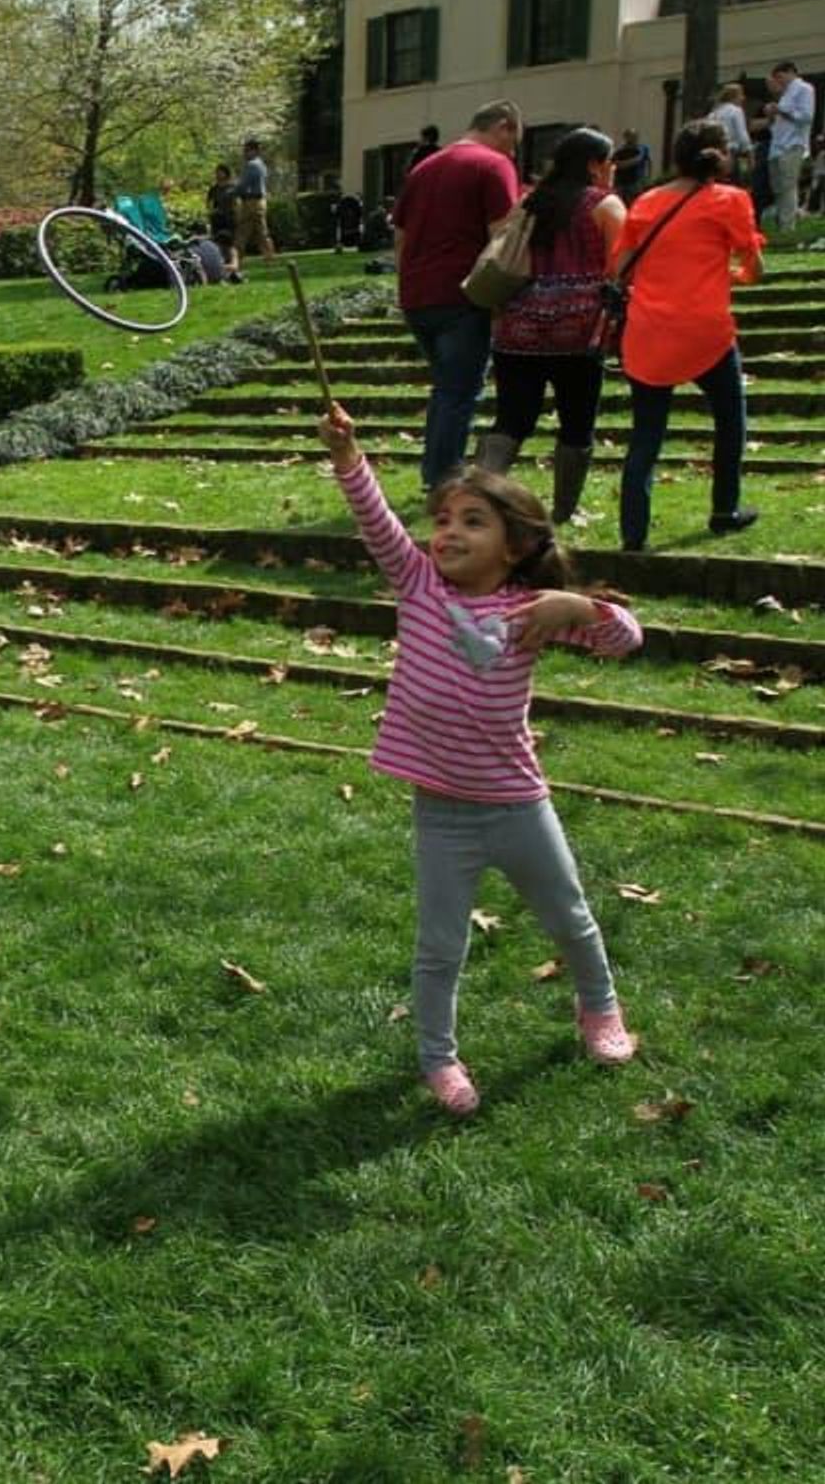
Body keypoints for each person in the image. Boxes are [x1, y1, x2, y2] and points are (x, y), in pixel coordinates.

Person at [317, 403, 642, 1117]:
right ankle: (438, 1058)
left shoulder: (533, 610)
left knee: (572, 920)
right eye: (444, 520)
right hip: (443, 814)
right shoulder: (420, 585)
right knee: (439, 946)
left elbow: (628, 640)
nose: (449, 533)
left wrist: (580, 609)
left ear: (515, 545)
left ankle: (600, 1010)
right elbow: (378, 524)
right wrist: (349, 458)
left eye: (472, 521)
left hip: (518, 805)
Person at [614, 120, 766, 550]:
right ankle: (724, 510)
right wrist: (732, 274)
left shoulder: (645, 202)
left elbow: (620, 268)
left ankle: (633, 533)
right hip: (706, 330)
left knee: (646, 434)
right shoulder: (730, 201)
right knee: (730, 422)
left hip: (649, 332)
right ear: (720, 155)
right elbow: (755, 267)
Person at [479, 127, 626, 522]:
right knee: (576, 422)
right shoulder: (604, 205)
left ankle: (481, 500)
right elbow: (622, 263)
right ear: (596, 165)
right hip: (579, 330)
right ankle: (564, 510)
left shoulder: (530, 203)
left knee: (511, 418)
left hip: (518, 326)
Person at [391, 99, 524, 489]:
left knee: (447, 387)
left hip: (418, 297)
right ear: (502, 126)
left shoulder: (423, 168)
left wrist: (408, 284)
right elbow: (503, 236)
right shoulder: (493, 165)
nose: (513, 151)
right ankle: (442, 477)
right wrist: (502, 296)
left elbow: (400, 237)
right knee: (459, 390)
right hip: (463, 296)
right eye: (513, 140)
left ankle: (438, 471)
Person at [764, 61, 817, 232]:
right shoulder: (785, 94)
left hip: (793, 143)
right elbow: (779, 125)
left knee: (787, 184)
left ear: (790, 72)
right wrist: (772, 116)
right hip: (778, 145)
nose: (779, 82)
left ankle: (788, 226)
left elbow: (806, 116)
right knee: (778, 186)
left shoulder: (804, 89)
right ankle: (783, 220)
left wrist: (780, 111)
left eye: (780, 77)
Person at [234, 139, 277, 259]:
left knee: (243, 231)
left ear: (255, 151)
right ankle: (269, 256)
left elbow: (243, 184)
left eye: (247, 151)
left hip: (251, 201)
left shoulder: (252, 165)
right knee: (261, 231)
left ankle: (237, 258)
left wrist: (232, 192)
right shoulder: (262, 165)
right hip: (260, 201)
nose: (244, 153)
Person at [710, 84, 753, 188]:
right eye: (741, 95)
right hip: (731, 152)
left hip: (716, 153)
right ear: (734, 96)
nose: (743, 98)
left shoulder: (713, 113)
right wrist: (750, 154)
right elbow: (742, 134)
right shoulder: (736, 111)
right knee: (734, 185)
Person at [206, 163, 241, 271]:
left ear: (226, 173)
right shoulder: (214, 188)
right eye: (216, 172)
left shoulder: (232, 187)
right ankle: (221, 263)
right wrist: (210, 212)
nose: (217, 174)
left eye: (220, 172)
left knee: (231, 242)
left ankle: (234, 264)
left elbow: (238, 202)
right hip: (217, 219)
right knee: (217, 241)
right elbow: (209, 202)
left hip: (229, 218)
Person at [611, 129, 652, 202]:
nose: (633, 138)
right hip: (622, 182)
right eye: (630, 136)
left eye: (634, 136)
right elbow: (615, 164)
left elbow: (648, 162)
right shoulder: (620, 150)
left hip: (636, 181)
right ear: (625, 137)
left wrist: (648, 177)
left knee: (635, 201)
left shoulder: (643, 148)